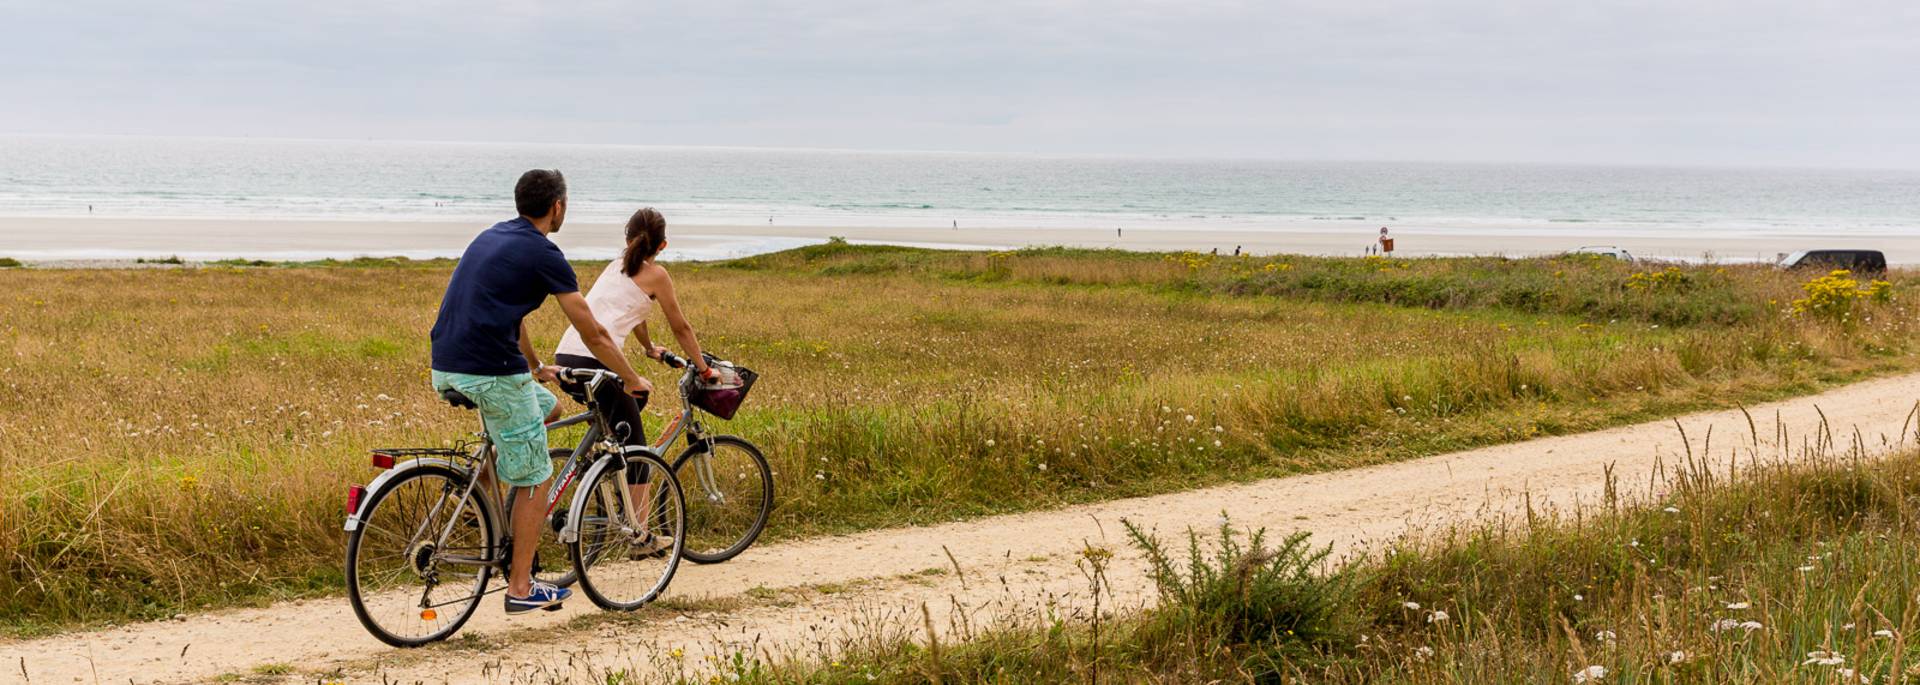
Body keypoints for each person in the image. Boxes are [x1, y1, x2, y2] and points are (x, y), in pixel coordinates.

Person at [428, 169, 650, 614]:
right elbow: (593, 332)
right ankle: (522, 588)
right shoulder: (545, 254)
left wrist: (536, 367)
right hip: (491, 372)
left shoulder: (492, 236)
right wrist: (631, 377)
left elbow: (512, 315)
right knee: (536, 478)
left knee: (546, 408)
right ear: (558, 207)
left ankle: (479, 496)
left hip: (447, 365)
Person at [552, 207, 720, 558]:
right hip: (597, 362)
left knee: (621, 427)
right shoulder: (657, 274)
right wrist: (704, 369)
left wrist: (648, 348)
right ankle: (640, 538)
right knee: (638, 449)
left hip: (567, 357)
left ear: (627, 239)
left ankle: (609, 474)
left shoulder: (616, 266)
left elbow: (631, 311)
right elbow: (681, 327)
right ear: (663, 244)